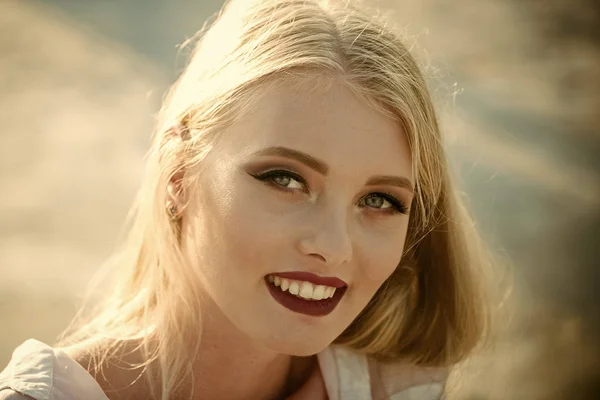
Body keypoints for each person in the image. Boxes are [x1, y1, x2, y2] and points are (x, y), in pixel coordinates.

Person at [0, 0, 491, 398]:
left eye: (380, 200)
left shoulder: (399, 387)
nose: (334, 246)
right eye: (285, 179)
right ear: (179, 174)